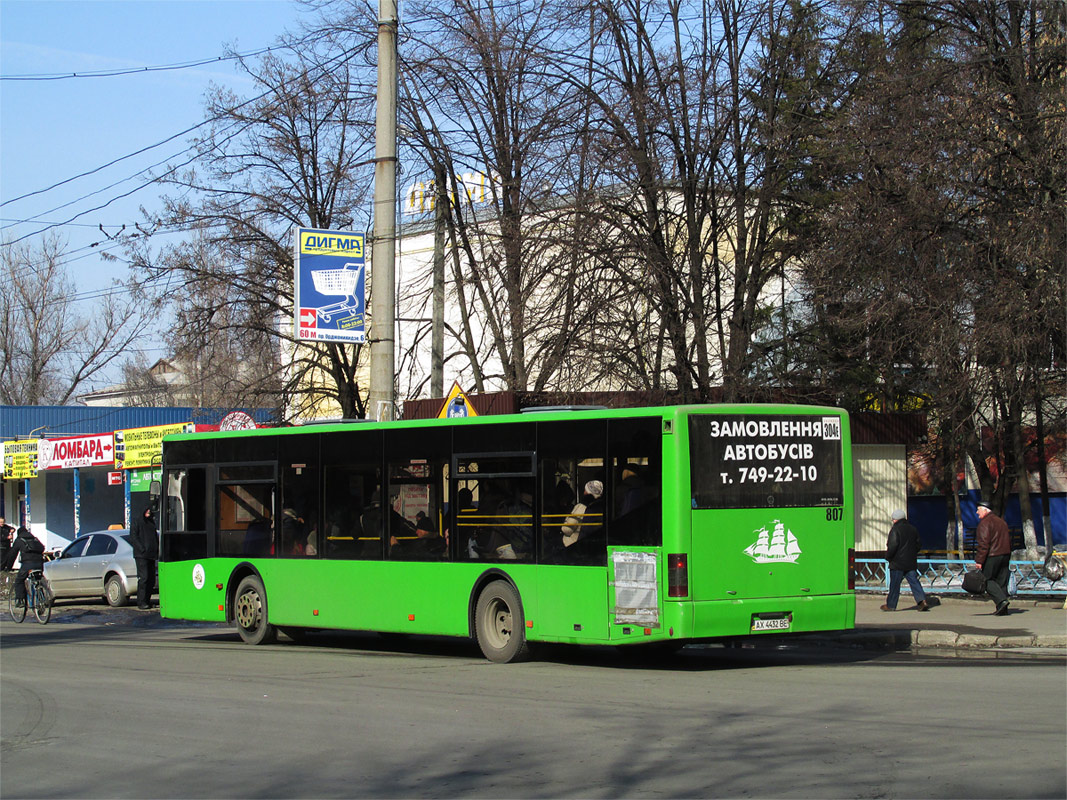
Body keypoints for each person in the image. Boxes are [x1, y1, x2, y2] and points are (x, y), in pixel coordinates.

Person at [881, 509, 930, 612]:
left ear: (895, 520)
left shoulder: (895, 530)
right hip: (910, 561)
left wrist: (888, 557)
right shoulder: (913, 529)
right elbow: (918, 544)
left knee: (895, 584)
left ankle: (891, 605)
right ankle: (922, 601)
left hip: (897, 562)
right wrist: (911, 554)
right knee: (914, 582)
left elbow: (892, 545)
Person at [975, 500, 1012, 615]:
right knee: (1001, 581)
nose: (977, 512)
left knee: (986, 580)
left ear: (985, 510)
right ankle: (1002, 608)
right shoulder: (1001, 521)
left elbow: (984, 544)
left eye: (978, 509)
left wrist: (979, 560)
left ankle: (1002, 601)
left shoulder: (984, 523)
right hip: (1005, 554)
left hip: (992, 556)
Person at [2, 526, 45, 607]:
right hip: (40, 564)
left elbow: (12, 554)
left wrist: (8, 567)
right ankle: (41, 599)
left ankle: (20, 600)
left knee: (19, 581)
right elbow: (42, 548)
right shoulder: (35, 539)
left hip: (27, 564)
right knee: (38, 580)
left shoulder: (19, 540)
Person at [129, 503, 159, 610]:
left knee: (151, 580)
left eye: (150, 510)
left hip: (151, 555)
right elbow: (133, 537)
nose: (149, 512)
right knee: (144, 578)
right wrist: (142, 548)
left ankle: (147, 601)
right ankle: (141, 602)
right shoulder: (137, 521)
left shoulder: (151, 523)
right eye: (147, 510)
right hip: (141, 556)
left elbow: (155, 537)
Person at [562, 480, 604, 547]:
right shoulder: (602, 507)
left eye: (585, 490)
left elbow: (567, 529)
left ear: (587, 493)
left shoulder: (581, 507)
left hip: (572, 544)